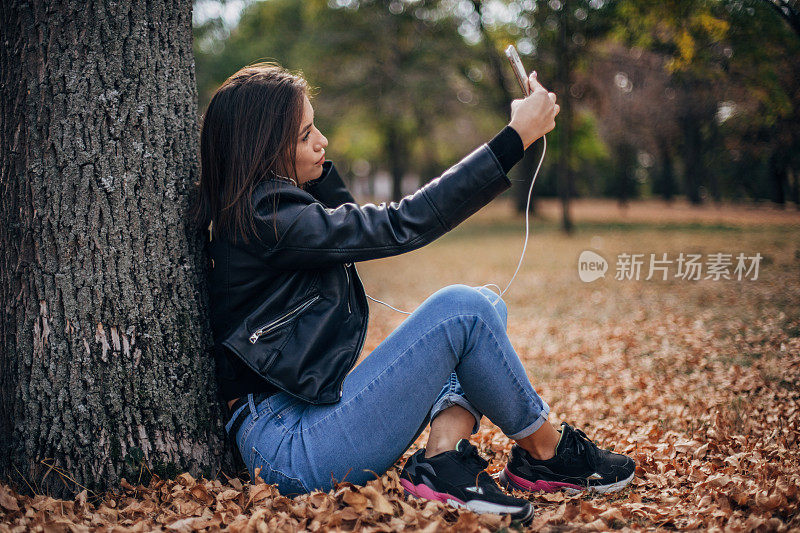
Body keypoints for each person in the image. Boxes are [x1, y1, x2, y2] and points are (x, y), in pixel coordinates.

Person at [192, 62, 635, 523]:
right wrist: (513, 140)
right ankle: (548, 451)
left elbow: (344, 214)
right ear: (263, 154)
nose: (323, 140)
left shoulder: (268, 209)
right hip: (290, 447)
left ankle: (443, 463)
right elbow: (401, 224)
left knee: (486, 304)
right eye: (306, 135)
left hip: (301, 421)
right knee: (464, 309)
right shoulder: (268, 218)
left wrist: (308, 162)